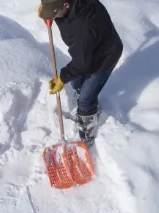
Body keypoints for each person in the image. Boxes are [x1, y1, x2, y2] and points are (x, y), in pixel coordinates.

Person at [38, 0, 123, 145]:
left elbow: (81, 63)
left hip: (104, 57)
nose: (52, 18)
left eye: (54, 14)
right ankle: (84, 101)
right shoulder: (67, 7)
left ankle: (87, 131)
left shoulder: (82, 28)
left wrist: (61, 78)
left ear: (65, 5)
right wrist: (48, 8)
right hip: (89, 50)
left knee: (85, 99)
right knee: (77, 81)